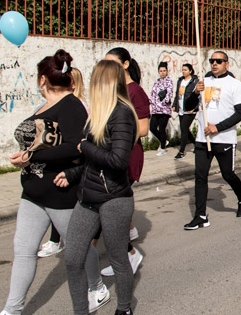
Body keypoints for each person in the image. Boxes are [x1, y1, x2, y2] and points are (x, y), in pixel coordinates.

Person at [0, 50, 107, 315]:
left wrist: (30, 156)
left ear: (42, 80)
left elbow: (77, 146)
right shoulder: (44, 106)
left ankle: (97, 287)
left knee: (79, 247)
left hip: (60, 193)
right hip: (32, 192)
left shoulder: (71, 105)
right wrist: (29, 158)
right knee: (24, 250)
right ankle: (11, 310)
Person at [54, 60, 139, 315]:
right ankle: (81, 310)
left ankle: (124, 309)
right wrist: (71, 173)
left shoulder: (122, 113)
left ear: (103, 83)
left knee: (118, 260)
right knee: (73, 259)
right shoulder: (98, 114)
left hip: (114, 198)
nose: (91, 83)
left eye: (94, 79)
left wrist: (84, 146)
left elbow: (117, 161)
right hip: (88, 197)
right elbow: (92, 160)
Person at [99, 47, 150, 277]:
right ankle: (126, 248)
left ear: (126, 64)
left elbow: (143, 129)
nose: (108, 68)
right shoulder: (112, 90)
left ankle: (128, 255)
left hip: (127, 157)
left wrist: (115, 136)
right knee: (110, 210)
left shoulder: (135, 92)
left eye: (113, 63)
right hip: (110, 156)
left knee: (109, 211)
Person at [183, 51, 241, 229]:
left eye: (219, 61)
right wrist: (195, 93)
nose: (214, 64)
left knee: (227, 174)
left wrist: (217, 127)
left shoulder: (234, 84)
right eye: (212, 61)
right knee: (200, 176)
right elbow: (187, 107)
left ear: (227, 64)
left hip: (224, 138)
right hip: (203, 139)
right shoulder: (203, 82)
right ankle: (201, 216)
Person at [37, 67, 86, 259]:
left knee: (67, 210)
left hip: (71, 166)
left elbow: (76, 144)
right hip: (57, 166)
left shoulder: (75, 105)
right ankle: (57, 240)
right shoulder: (55, 104)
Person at [172, 63, 198, 159]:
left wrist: (195, 109)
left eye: (185, 70)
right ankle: (196, 143)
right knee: (185, 129)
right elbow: (177, 94)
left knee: (183, 130)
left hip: (190, 109)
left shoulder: (194, 81)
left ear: (190, 71)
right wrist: (174, 105)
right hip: (181, 109)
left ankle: (181, 151)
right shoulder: (180, 80)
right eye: (182, 70)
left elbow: (198, 97)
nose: (183, 71)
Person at [149, 62, 173, 157]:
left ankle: (163, 148)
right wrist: (151, 102)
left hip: (164, 110)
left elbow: (169, 94)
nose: (162, 73)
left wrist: (162, 103)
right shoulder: (157, 82)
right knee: (152, 127)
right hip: (155, 110)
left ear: (167, 71)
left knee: (162, 128)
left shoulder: (169, 81)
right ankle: (164, 141)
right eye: (161, 71)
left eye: (164, 71)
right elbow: (152, 94)